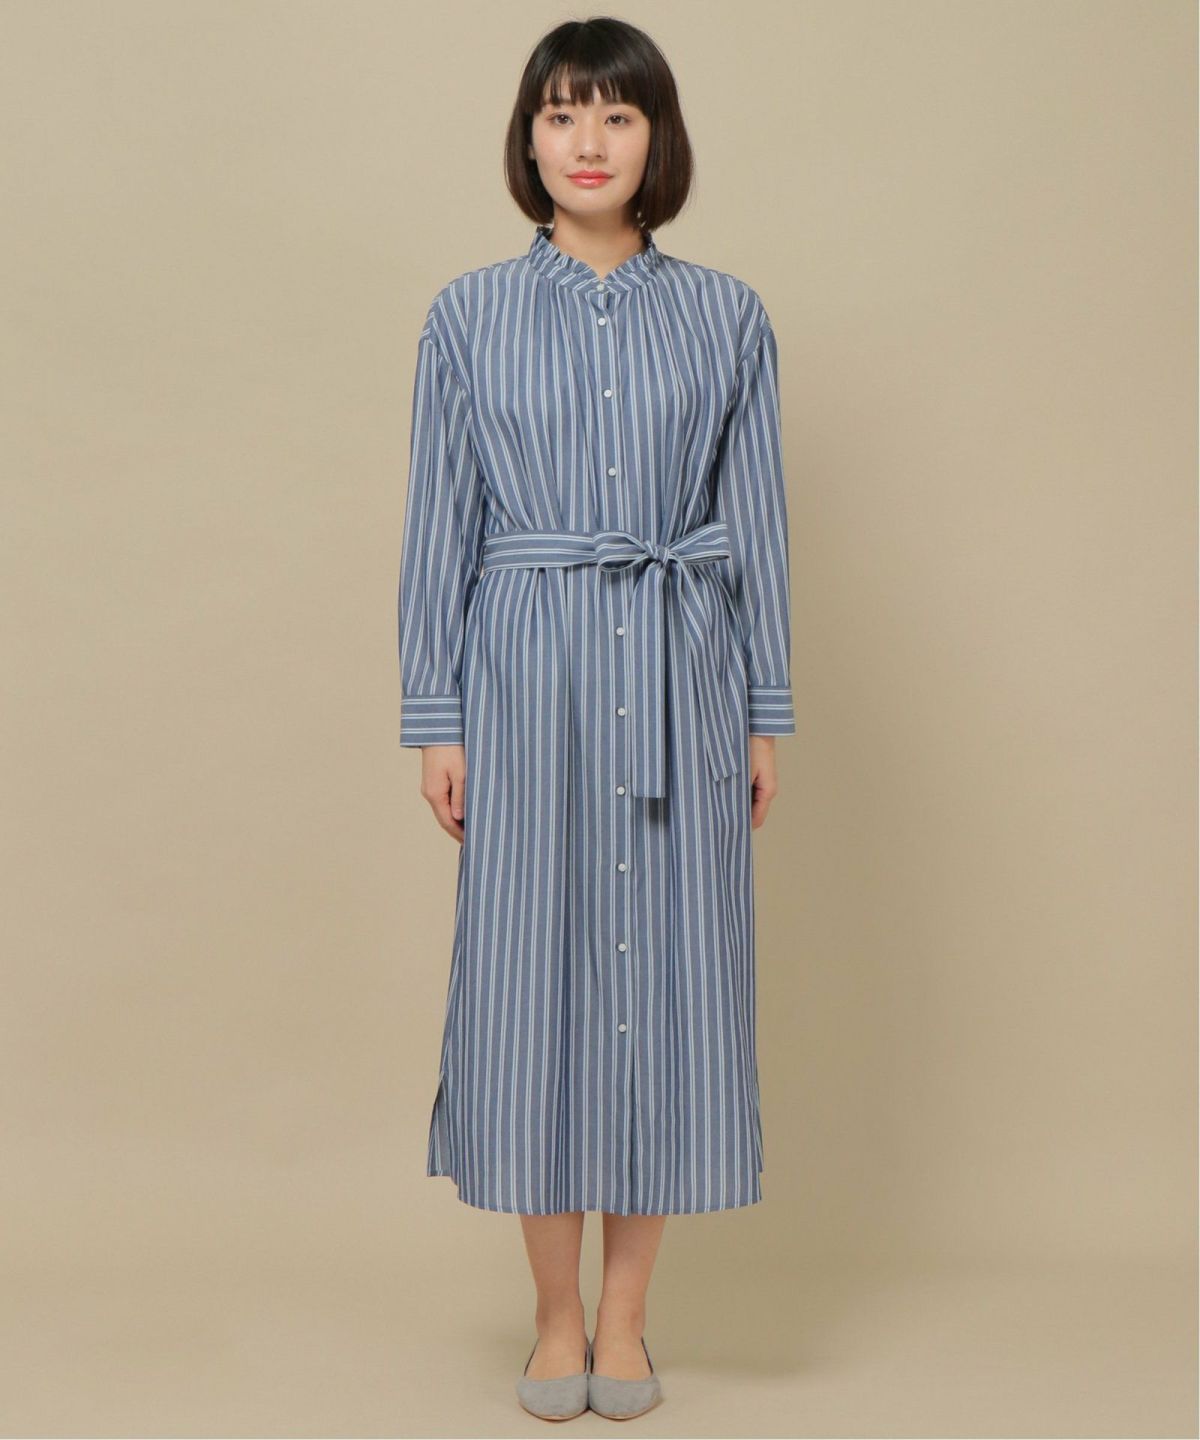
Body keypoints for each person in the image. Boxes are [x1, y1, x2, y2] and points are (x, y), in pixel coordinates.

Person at [396, 16, 796, 1420]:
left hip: (684, 675)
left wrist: (763, 712)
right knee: (533, 991)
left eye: (617, 117)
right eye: (562, 115)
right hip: (524, 684)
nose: (587, 142)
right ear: (528, 138)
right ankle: (553, 1317)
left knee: (669, 988)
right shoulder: (466, 316)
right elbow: (438, 529)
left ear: (656, 140)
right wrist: (437, 719)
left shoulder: (729, 316)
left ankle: (626, 1322)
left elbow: (757, 528)